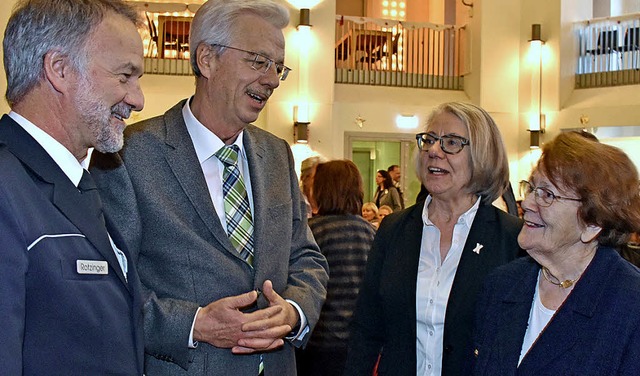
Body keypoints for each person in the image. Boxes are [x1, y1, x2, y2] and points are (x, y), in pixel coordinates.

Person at [90, 0, 329, 375]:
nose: (270, 79)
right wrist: (194, 323)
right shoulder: (129, 155)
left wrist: (294, 311)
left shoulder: (276, 153)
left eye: (278, 67)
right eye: (258, 61)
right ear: (207, 59)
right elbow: (110, 287)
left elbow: (306, 257)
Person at [0, 0, 145, 374]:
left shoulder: (87, 181)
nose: (138, 99)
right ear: (60, 70)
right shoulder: (6, 187)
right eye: (124, 76)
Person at [345, 102, 523, 376]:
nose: (434, 152)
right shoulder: (393, 230)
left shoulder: (511, 238)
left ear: (482, 155)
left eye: (451, 142)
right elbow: (366, 328)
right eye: (429, 140)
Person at [470, 132, 640, 375]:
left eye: (547, 194)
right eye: (531, 187)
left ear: (592, 223)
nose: (527, 203)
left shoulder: (630, 305)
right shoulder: (501, 285)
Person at [296, 160, 376, 376]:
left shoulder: (311, 232)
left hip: (317, 343)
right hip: (358, 343)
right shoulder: (371, 233)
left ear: (322, 190)